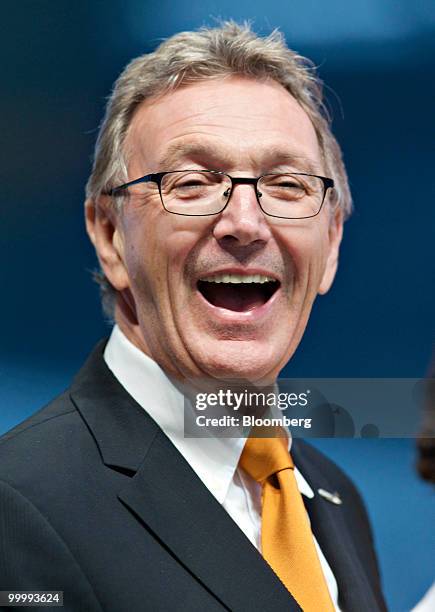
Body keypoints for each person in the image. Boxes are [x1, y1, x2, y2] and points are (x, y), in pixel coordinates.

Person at [0, 22, 387, 611]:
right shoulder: (19, 504)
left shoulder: (335, 497)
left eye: (286, 185)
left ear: (331, 244)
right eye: (193, 183)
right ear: (110, 237)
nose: (245, 223)